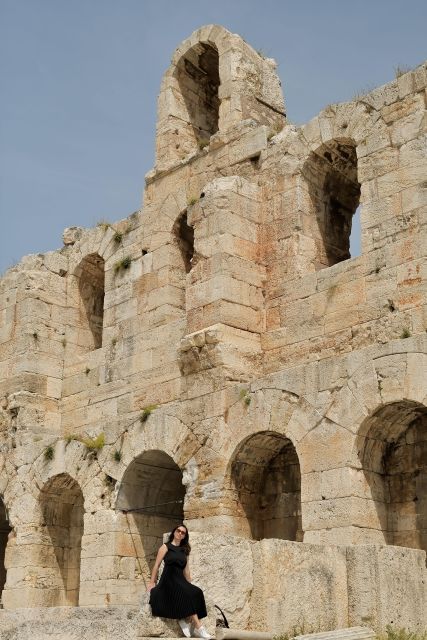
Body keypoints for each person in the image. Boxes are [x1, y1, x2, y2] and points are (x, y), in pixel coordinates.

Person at [148, 524, 211, 639]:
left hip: (180, 579)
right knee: (185, 592)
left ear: (184, 536)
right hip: (168, 579)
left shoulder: (184, 550)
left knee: (197, 592)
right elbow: (156, 565)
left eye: (183, 533)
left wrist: (189, 584)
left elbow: (186, 570)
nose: (180, 533)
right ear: (174, 532)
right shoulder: (165, 547)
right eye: (179, 531)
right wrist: (152, 582)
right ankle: (199, 627)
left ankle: (183, 619)